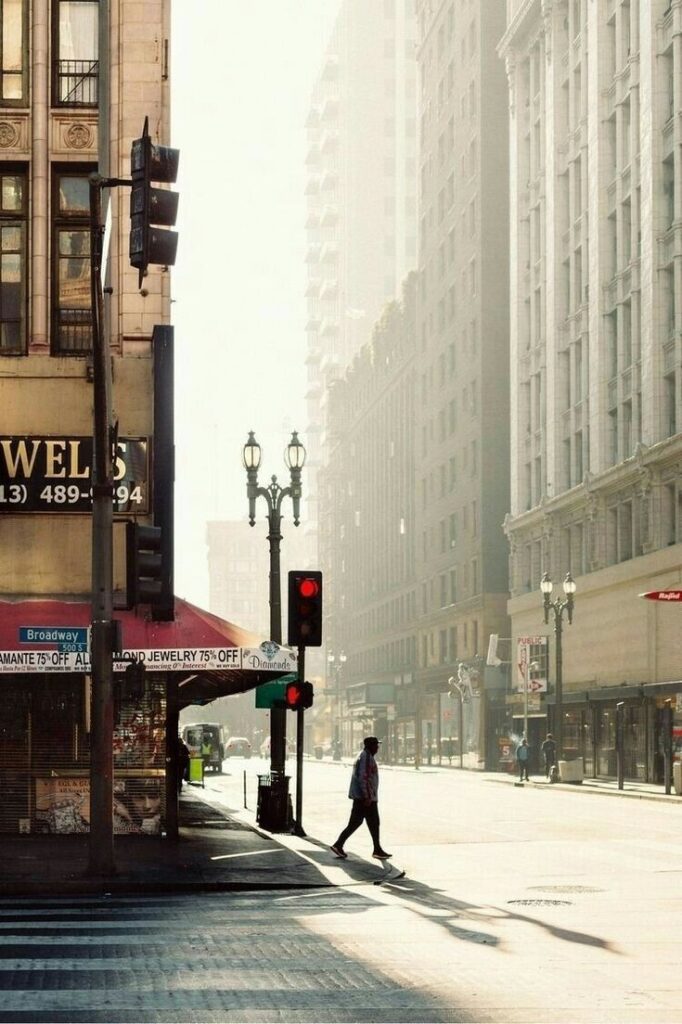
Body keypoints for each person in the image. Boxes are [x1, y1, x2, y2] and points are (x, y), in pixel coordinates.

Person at [331, 736, 391, 860]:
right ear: (371, 746)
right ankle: (338, 844)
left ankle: (377, 849)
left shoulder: (364, 756)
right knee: (358, 822)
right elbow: (364, 777)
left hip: (364, 797)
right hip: (365, 798)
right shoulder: (366, 757)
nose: (378, 748)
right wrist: (367, 796)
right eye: (376, 745)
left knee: (372, 823)